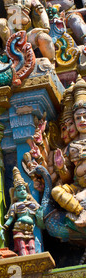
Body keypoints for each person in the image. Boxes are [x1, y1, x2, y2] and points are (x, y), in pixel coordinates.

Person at [51, 76, 86, 227]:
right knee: (56, 192)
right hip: (78, 186)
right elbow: (67, 178)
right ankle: (80, 211)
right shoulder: (71, 147)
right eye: (78, 118)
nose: (82, 120)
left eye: (85, 116)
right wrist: (61, 167)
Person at [1, 167, 42, 256]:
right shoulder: (15, 205)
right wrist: (3, 229)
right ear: (15, 193)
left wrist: (40, 216)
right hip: (19, 228)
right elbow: (11, 218)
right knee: (22, 247)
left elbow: (40, 221)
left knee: (32, 247)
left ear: (27, 191)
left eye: (23, 189)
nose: (22, 191)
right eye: (19, 190)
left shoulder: (33, 205)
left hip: (30, 229)